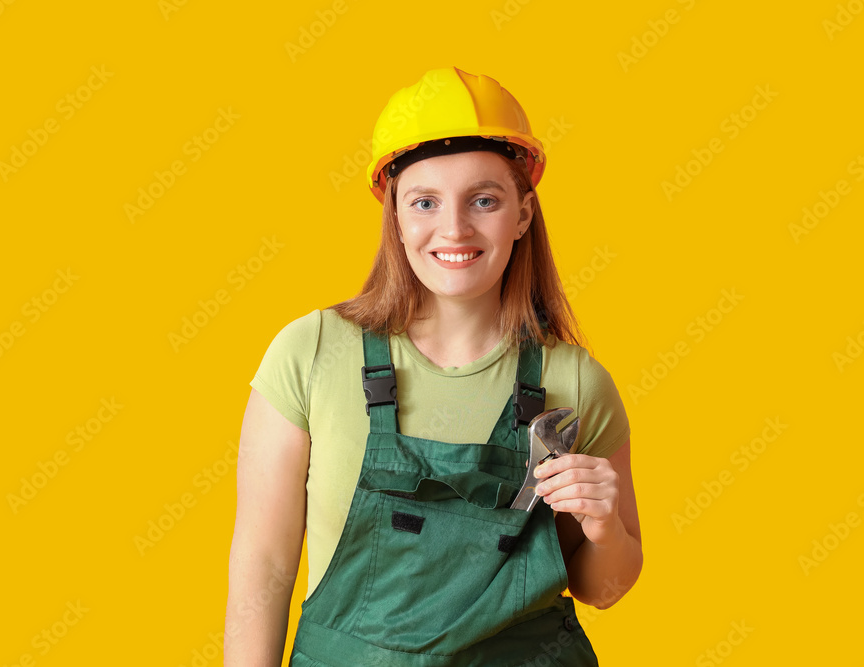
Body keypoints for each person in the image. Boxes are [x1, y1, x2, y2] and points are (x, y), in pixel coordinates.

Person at [224, 66, 643, 666]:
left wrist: (605, 528)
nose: (454, 229)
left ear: (523, 215)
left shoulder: (574, 383)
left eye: (484, 200)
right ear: (394, 213)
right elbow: (263, 563)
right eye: (425, 201)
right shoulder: (309, 353)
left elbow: (605, 588)